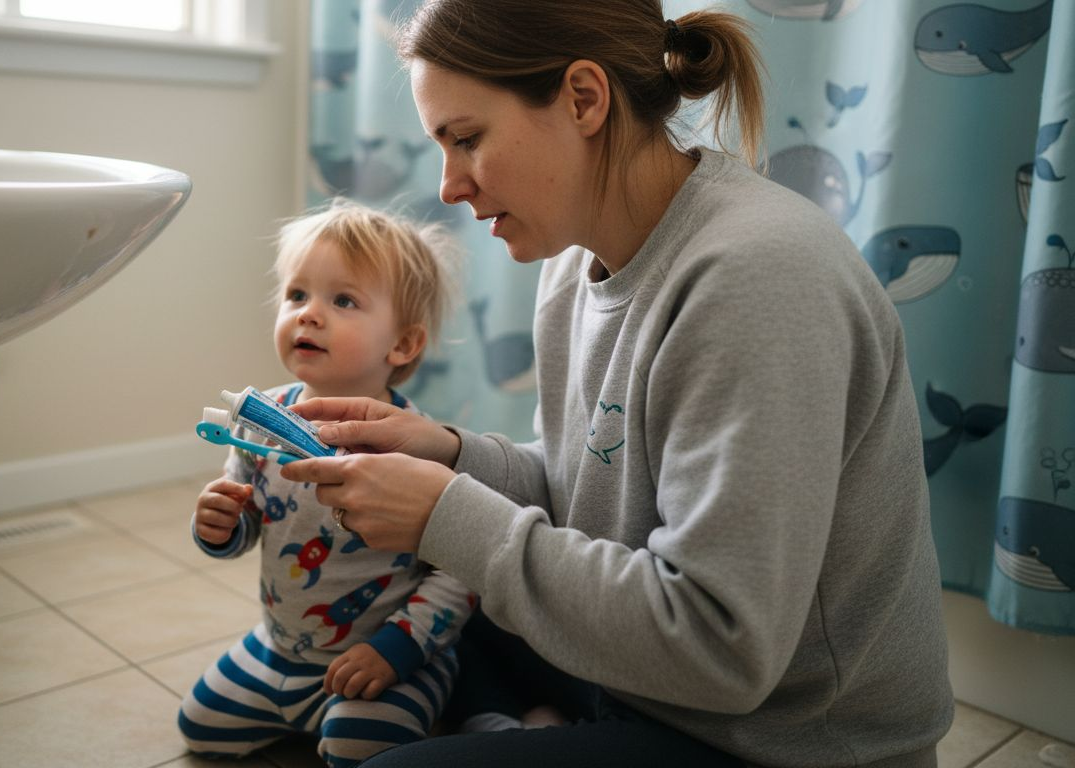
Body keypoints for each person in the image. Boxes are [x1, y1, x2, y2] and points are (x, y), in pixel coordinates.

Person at [278, 2, 955, 766]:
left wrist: (445, 515)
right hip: (647, 685)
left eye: (466, 139)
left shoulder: (757, 277)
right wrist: (451, 453)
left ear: (584, 99)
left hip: (778, 741)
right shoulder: (574, 257)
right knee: (409, 615)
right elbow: (589, 490)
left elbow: (720, 647)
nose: (448, 187)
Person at [177, 198, 474, 767]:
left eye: (343, 300)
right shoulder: (259, 417)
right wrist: (219, 524)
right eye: (296, 295)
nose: (309, 314)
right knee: (200, 727)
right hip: (281, 646)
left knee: (356, 747)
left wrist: (397, 651)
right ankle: (302, 708)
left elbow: (459, 573)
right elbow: (242, 529)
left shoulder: (415, 445)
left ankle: (434, 690)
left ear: (403, 345)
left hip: (385, 657)